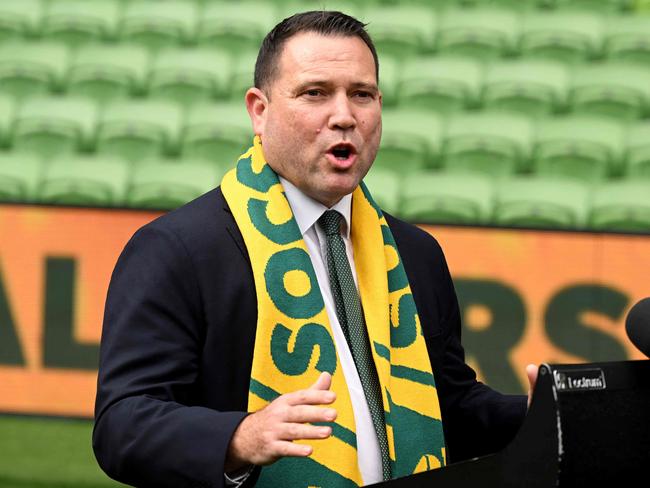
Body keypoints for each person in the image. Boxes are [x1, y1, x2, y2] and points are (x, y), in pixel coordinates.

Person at [93, 10, 537, 488]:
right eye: (315, 93)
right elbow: (124, 424)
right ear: (258, 111)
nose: (344, 116)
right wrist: (239, 437)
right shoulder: (177, 249)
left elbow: (445, 405)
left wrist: (538, 415)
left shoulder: (416, 252)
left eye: (361, 95)